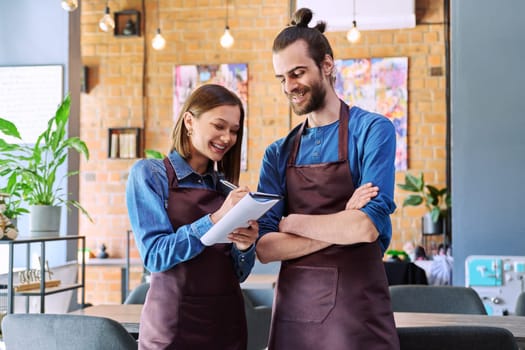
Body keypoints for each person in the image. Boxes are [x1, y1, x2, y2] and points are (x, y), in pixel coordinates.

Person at [256, 8, 399, 349]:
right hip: (295, 316)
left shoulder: (372, 131)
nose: (289, 86)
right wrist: (341, 222)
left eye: (298, 72)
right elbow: (264, 247)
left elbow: (365, 228)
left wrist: (290, 222)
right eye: (282, 78)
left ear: (328, 66)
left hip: (357, 314)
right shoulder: (277, 153)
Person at [126, 84, 258, 350]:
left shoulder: (225, 188)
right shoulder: (150, 175)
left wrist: (245, 247)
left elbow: (238, 274)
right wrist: (215, 219)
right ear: (189, 121)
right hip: (172, 330)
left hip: (226, 328)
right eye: (219, 126)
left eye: (234, 130)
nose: (227, 137)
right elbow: (155, 255)